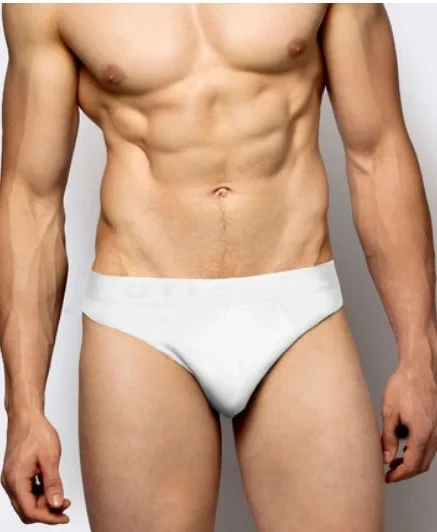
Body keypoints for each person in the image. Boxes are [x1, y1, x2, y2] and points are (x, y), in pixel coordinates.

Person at [0, 3, 436, 531]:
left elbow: (378, 150)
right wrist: (24, 409)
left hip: (298, 308)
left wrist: (420, 359)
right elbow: (30, 201)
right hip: (140, 323)